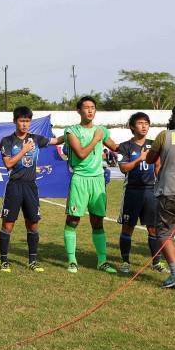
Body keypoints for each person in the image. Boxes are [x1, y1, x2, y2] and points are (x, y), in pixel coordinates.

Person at [0, 106, 64, 273]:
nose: (24, 124)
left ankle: (32, 261)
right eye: (21, 121)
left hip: (31, 187)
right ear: (15, 121)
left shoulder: (36, 138)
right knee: (8, 224)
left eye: (27, 121)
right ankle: (4, 261)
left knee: (33, 224)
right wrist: (24, 150)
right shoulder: (8, 141)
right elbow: (8, 164)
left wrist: (72, 133)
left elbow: (55, 141)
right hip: (14, 186)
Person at [63, 96, 119, 274]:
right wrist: (96, 139)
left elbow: (115, 147)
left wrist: (140, 144)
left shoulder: (102, 130)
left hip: (98, 180)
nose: (90, 110)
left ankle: (102, 261)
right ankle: (72, 260)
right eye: (86, 107)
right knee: (73, 220)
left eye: (93, 107)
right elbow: (80, 153)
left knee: (97, 221)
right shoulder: (72, 131)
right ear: (78, 110)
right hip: (80, 178)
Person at [146, 103, 175, 289]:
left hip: (171, 191)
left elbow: (150, 159)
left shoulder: (165, 135)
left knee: (164, 232)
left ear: (174, 118)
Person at [116, 112, 167, 274]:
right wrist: (140, 159)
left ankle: (156, 262)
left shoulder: (155, 144)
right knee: (127, 228)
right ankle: (125, 262)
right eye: (140, 123)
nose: (144, 126)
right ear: (132, 126)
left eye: (146, 123)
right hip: (132, 191)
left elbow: (158, 166)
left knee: (153, 228)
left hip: (151, 191)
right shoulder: (125, 146)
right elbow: (124, 168)